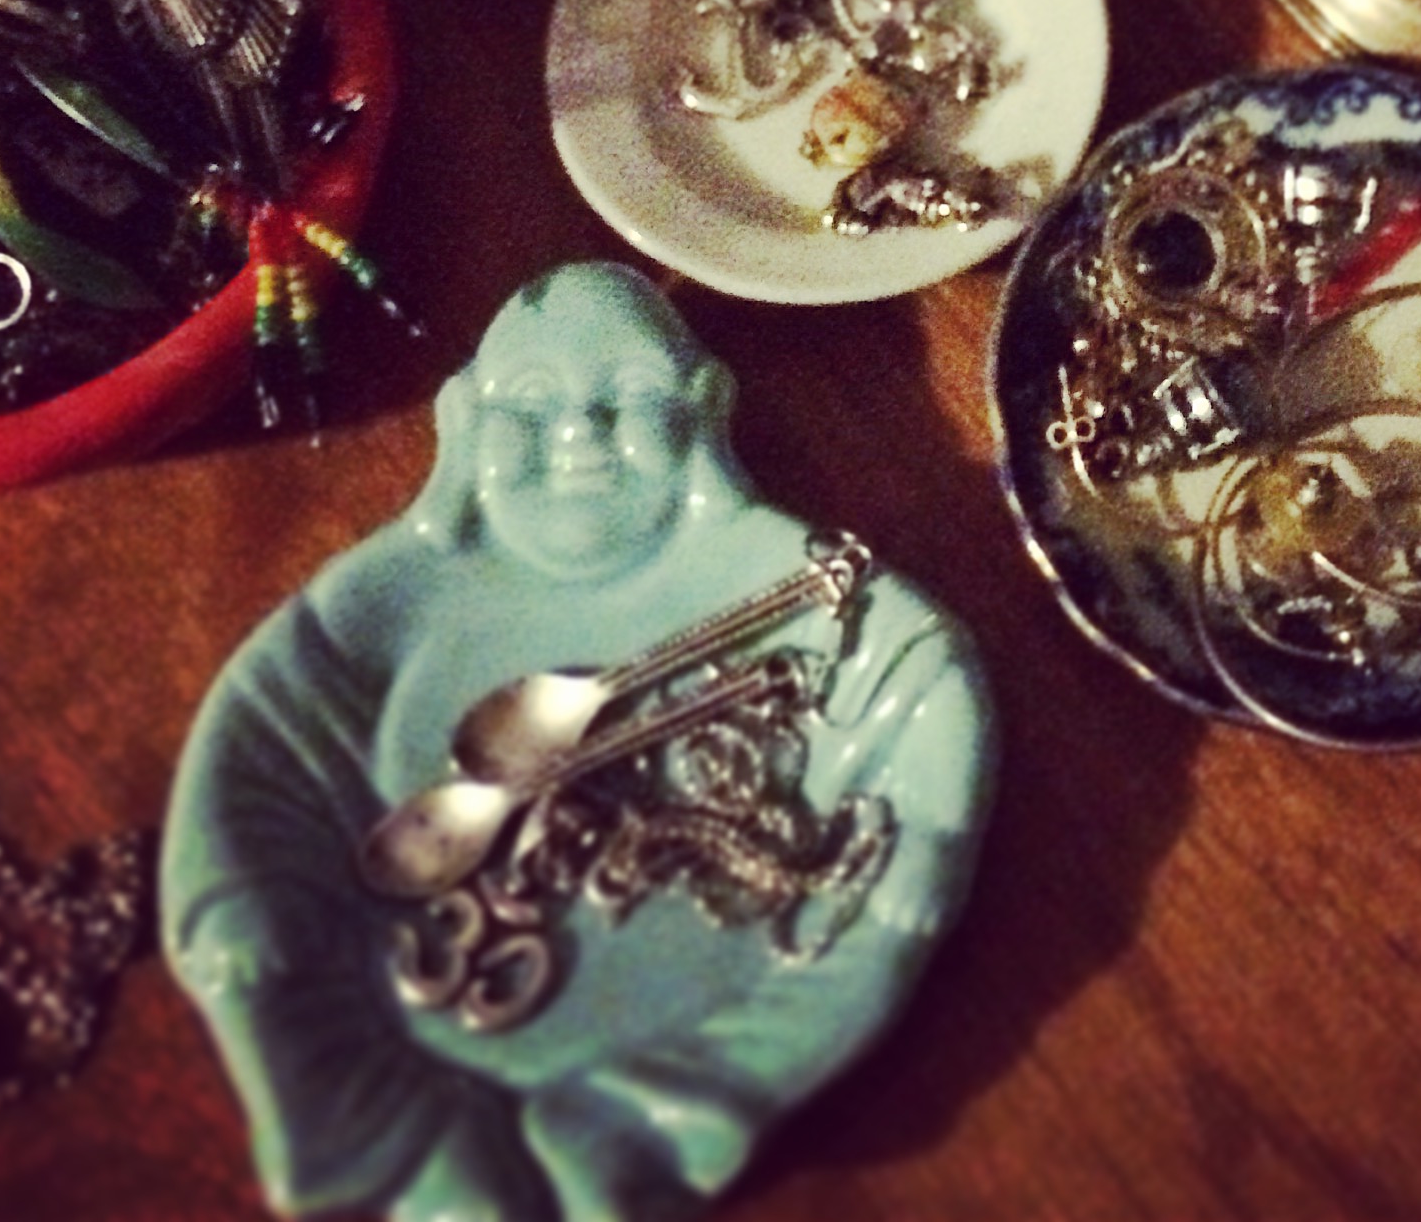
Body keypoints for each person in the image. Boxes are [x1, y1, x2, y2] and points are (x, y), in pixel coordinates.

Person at [162, 261, 995, 1222]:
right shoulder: (391, 602)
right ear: (464, 421)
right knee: (298, 1014)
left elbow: (922, 673)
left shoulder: (797, 584)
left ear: (702, 409)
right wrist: (232, 900)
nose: (578, 430)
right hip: (387, 998)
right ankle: (434, 1168)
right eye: (529, 403)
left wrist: (926, 834)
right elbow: (267, 729)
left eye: (630, 394)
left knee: (842, 966)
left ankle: (618, 1142)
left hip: (710, 1030)